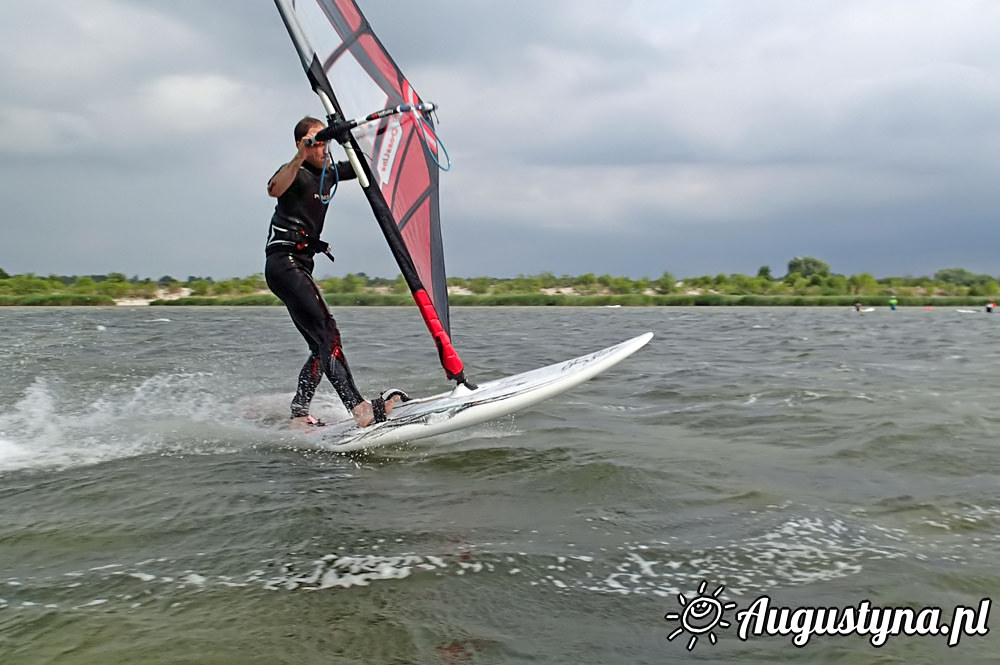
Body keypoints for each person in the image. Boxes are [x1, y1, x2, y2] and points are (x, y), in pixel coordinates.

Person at [265, 116, 404, 429]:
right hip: (283, 263)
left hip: (300, 265)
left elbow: (365, 166)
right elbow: (274, 188)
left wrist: (361, 135)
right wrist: (301, 153)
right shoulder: (296, 173)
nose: (321, 145)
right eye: (316, 140)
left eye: (323, 139)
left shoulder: (330, 173)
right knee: (328, 332)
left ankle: (299, 411)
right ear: (302, 143)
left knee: (319, 344)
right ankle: (358, 408)